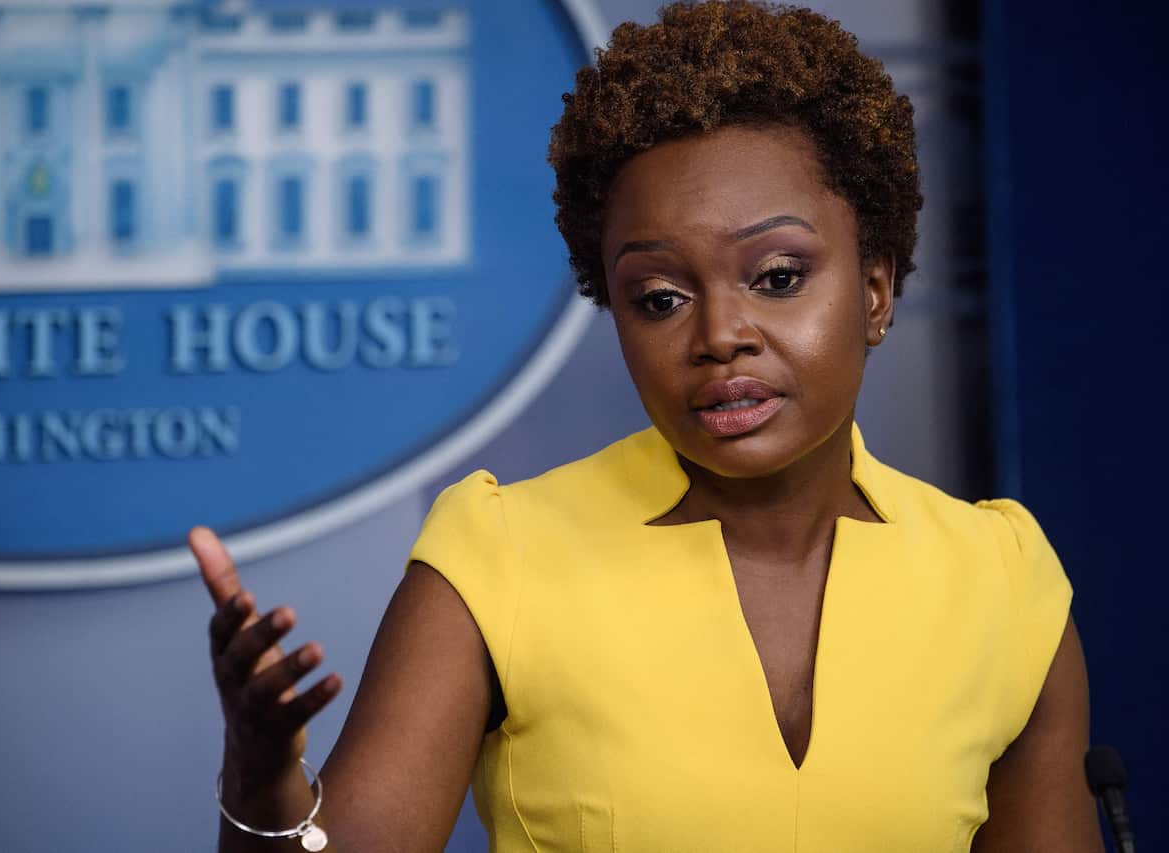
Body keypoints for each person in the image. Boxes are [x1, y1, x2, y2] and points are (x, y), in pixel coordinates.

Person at [191, 2, 1103, 850]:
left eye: (778, 276)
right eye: (660, 296)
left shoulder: (1002, 581)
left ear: (874, 289)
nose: (719, 336)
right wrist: (262, 776)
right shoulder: (498, 557)